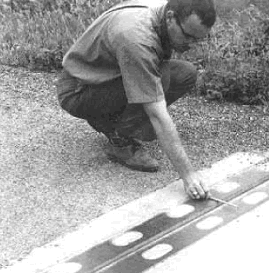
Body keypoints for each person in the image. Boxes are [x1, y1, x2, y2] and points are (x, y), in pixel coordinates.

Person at [57, 0, 216, 200]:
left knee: (186, 73)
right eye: (188, 36)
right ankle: (119, 138)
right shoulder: (136, 38)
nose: (192, 45)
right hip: (79, 90)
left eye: (199, 39)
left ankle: (115, 120)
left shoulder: (164, 9)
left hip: (105, 74)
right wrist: (189, 176)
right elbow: (157, 115)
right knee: (160, 79)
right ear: (170, 17)